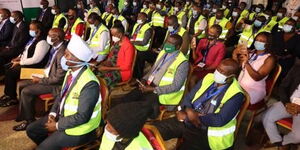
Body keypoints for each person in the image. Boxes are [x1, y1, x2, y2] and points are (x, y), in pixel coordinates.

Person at [26, 34, 101, 150]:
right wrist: (53, 114)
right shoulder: (70, 72)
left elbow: (83, 117)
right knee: (31, 130)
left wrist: (57, 125)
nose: (63, 57)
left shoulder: (90, 84)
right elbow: (62, 95)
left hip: (81, 129)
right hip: (63, 117)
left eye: (67, 54)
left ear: (76, 58)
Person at [152, 58, 245, 150]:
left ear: (232, 76)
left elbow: (219, 120)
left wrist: (194, 117)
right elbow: (188, 97)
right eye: (218, 69)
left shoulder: (236, 94)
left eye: (223, 72)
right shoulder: (209, 78)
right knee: (152, 130)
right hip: (187, 120)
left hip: (207, 133)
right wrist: (185, 110)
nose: (218, 73)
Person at [111, 34, 188, 110]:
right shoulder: (163, 53)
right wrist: (144, 79)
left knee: (136, 107)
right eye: (167, 41)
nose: (168, 44)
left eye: (171, 43)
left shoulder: (182, 62)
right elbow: (153, 70)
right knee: (127, 98)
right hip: (149, 85)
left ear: (178, 47)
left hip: (161, 94)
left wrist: (153, 89)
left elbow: (176, 86)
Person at [12, 28, 67, 131]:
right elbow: (50, 65)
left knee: (26, 91)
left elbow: (58, 79)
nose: (48, 37)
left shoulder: (62, 53)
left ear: (57, 38)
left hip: (56, 85)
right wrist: (41, 73)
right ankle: (24, 115)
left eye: (50, 36)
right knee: (21, 84)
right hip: (47, 75)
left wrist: (40, 80)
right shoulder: (54, 47)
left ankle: (29, 121)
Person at [0, 21, 50, 107]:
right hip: (27, 63)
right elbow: (26, 51)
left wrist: (20, 62)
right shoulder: (34, 39)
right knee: (7, 68)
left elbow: (36, 60)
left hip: (36, 68)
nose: (30, 31)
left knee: (11, 72)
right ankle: (8, 94)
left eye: (32, 29)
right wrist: (19, 57)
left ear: (39, 30)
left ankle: (12, 98)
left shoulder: (42, 42)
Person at [234, 32, 276, 105]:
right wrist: (235, 53)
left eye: (262, 41)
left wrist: (247, 63)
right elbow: (238, 66)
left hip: (254, 89)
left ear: (268, 43)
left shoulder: (269, 59)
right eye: (257, 40)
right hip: (240, 84)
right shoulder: (251, 52)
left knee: (234, 99)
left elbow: (257, 77)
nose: (258, 42)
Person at [262, 83, 300, 149]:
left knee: (298, 136)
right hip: (289, 102)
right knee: (267, 116)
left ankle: (283, 142)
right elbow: (283, 86)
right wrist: (286, 103)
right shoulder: (297, 72)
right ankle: (278, 142)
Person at [189, 24, 226, 90]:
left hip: (209, 69)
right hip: (198, 66)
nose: (209, 34)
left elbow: (216, 64)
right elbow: (195, 59)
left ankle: (193, 98)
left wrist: (204, 69)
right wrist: (193, 49)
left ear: (217, 35)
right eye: (209, 31)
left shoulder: (221, 47)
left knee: (193, 79)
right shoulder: (202, 41)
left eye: (212, 33)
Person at [0, 11, 29, 76]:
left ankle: (2, 75)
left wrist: (10, 48)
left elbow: (21, 42)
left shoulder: (24, 26)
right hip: (12, 47)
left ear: (17, 18)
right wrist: (8, 46)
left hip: (18, 49)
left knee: (1, 55)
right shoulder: (16, 25)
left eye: (12, 16)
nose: (10, 18)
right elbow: (12, 39)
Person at [131, 12, 153, 79]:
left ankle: (138, 77)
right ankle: (130, 75)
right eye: (138, 16)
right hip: (134, 46)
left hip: (142, 49)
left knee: (139, 57)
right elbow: (132, 36)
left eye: (140, 17)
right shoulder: (137, 25)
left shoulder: (148, 29)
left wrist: (133, 42)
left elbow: (144, 42)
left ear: (145, 18)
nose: (138, 18)